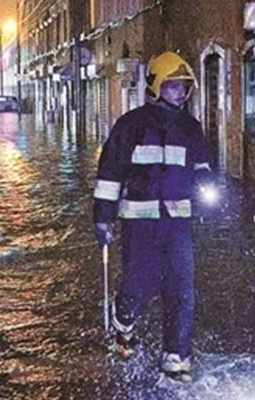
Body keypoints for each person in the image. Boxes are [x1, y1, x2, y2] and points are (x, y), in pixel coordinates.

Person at [92, 51, 216, 383]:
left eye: (184, 87)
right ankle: (124, 320)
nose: (180, 92)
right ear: (156, 86)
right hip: (139, 222)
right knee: (138, 284)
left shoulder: (191, 128)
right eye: (173, 86)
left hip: (177, 223)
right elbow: (110, 174)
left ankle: (176, 356)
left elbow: (201, 167)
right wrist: (103, 219)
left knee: (181, 287)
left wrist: (209, 192)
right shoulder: (130, 125)